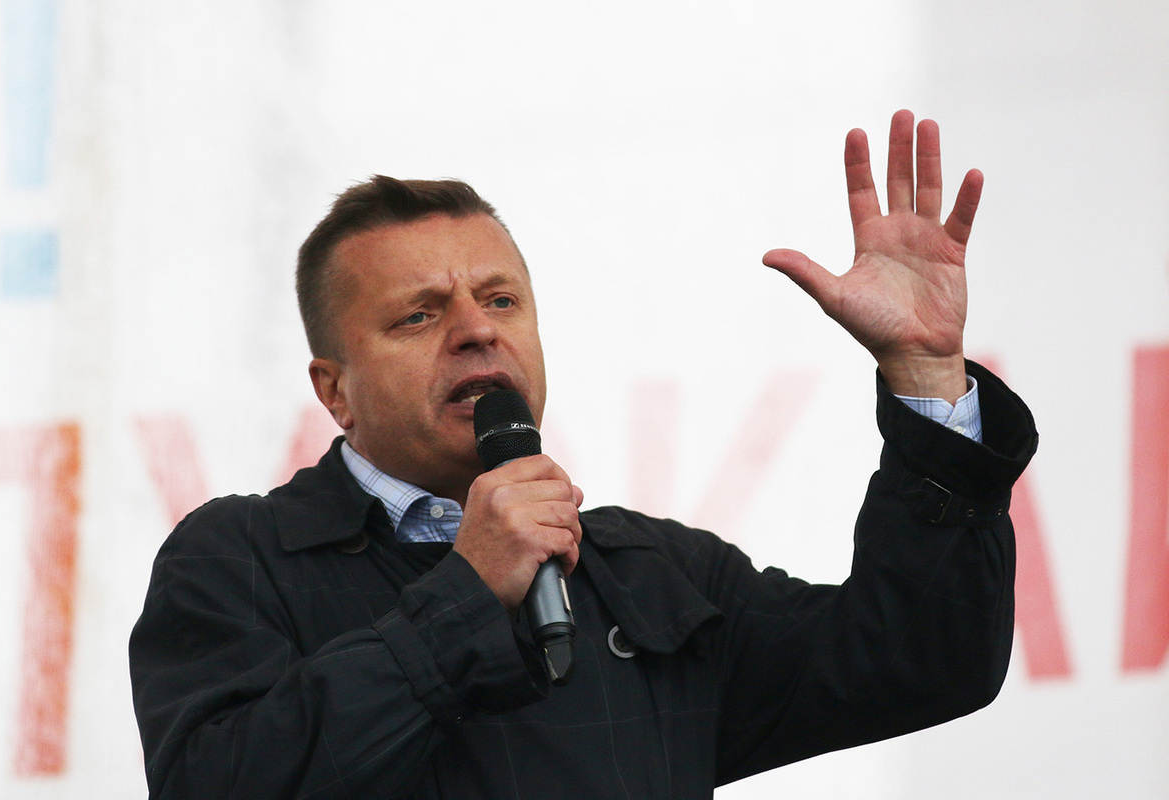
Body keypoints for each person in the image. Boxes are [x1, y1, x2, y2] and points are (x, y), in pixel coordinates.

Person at [129, 110, 1037, 798]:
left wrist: (926, 376)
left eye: (501, 300)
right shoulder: (240, 560)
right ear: (334, 391)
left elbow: (922, 659)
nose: (476, 330)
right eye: (419, 315)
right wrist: (467, 595)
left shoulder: (649, 574)